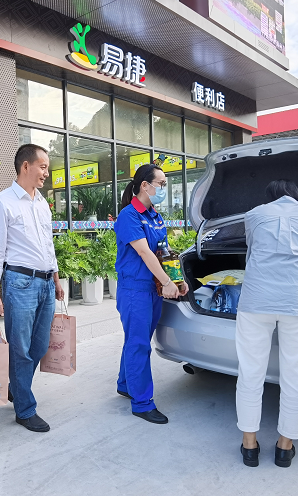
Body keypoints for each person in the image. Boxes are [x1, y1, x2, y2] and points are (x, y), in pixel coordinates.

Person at [236, 179, 298, 468]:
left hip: (255, 303)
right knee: (296, 376)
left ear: (269, 198)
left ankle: (249, 446)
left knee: (250, 373)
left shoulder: (253, 215)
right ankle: (284, 448)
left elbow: (252, 254)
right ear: (296, 196)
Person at [0, 143, 64, 433]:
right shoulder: (2, 202)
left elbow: (48, 244)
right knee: (21, 350)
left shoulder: (41, 202)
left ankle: (15, 389)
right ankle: (25, 408)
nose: (46, 172)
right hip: (19, 283)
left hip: (45, 283)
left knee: (39, 346)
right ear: (26, 166)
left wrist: (56, 278)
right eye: (43, 166)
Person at [113, 163, 188, 424]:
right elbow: (144, 252)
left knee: (138, 338)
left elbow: (163, 254)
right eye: (161, 184)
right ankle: (142, 402)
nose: (163, 189)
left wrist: (176, 281)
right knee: (139, 344)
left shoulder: (155, 216)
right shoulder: (129, 216)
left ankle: (125, 383)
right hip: (135, 290)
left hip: (153, 289)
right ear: (145, 185)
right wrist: (166, 282)